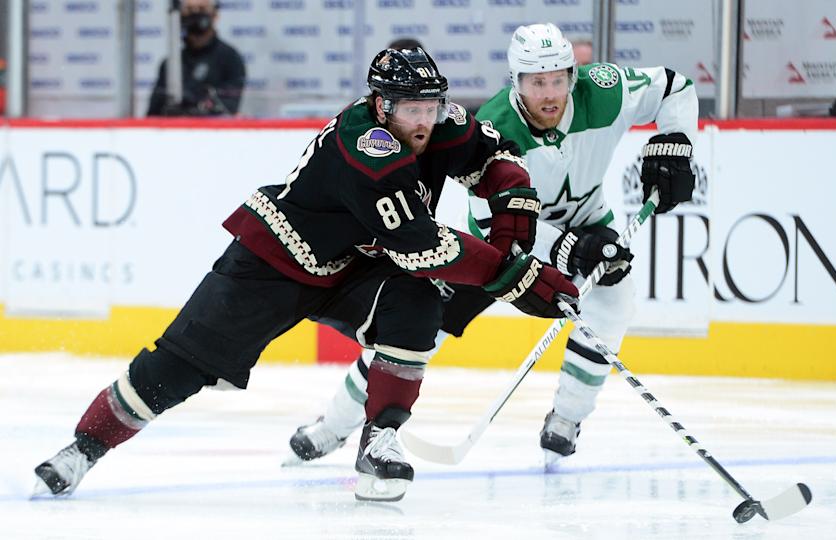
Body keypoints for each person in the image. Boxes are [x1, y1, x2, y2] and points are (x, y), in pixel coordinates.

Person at [33, 47, 578, 502]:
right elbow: (423, 246)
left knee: (416, 306)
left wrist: (512, 212)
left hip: (356, 265)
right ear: (380, 105)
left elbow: (496, 158)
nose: (423, 120)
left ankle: (380, 439)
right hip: (275, 262)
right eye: (409, 108)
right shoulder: (366, 148)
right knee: (179, 367)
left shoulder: (444, 121)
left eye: (430, 107)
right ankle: (84, 448)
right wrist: (516, 276)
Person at [288, 23, 697, 466]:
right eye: (537, 82)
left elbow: (676, 87)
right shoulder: (496, 128)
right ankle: (332, 426)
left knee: (615, 300)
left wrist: (675, 140)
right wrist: (567, 249)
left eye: (558, 79)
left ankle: (566, 420)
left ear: (572, 76)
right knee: (416, 331)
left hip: (587, 218)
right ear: (516, 82)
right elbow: (496, 225)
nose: (549, 94)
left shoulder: (604, 91)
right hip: (493, 249)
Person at [147, 0, 246, 117]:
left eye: (201, 9)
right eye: (189, 10)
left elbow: (227, 107)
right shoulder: (171, 63)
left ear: (215, 14)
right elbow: (154, 113)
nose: (195, 15)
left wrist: (194, 109)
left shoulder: (230, 58)